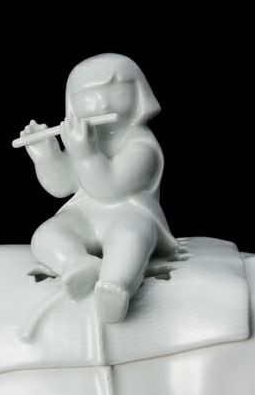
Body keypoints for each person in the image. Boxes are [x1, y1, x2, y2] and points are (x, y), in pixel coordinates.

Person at [20, 53, 178, 324]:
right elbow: (62, 186)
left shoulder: (141, 145)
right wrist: (47, 157)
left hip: (130, 214)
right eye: (87, 97)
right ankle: (77, 263)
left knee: (131, 238)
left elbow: (108, 188)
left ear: (140, 94)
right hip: (84, 215)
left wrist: (85, 153)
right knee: (46, 234)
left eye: (116, 91)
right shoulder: (83, 140)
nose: (102, 103)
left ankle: (116, 287)